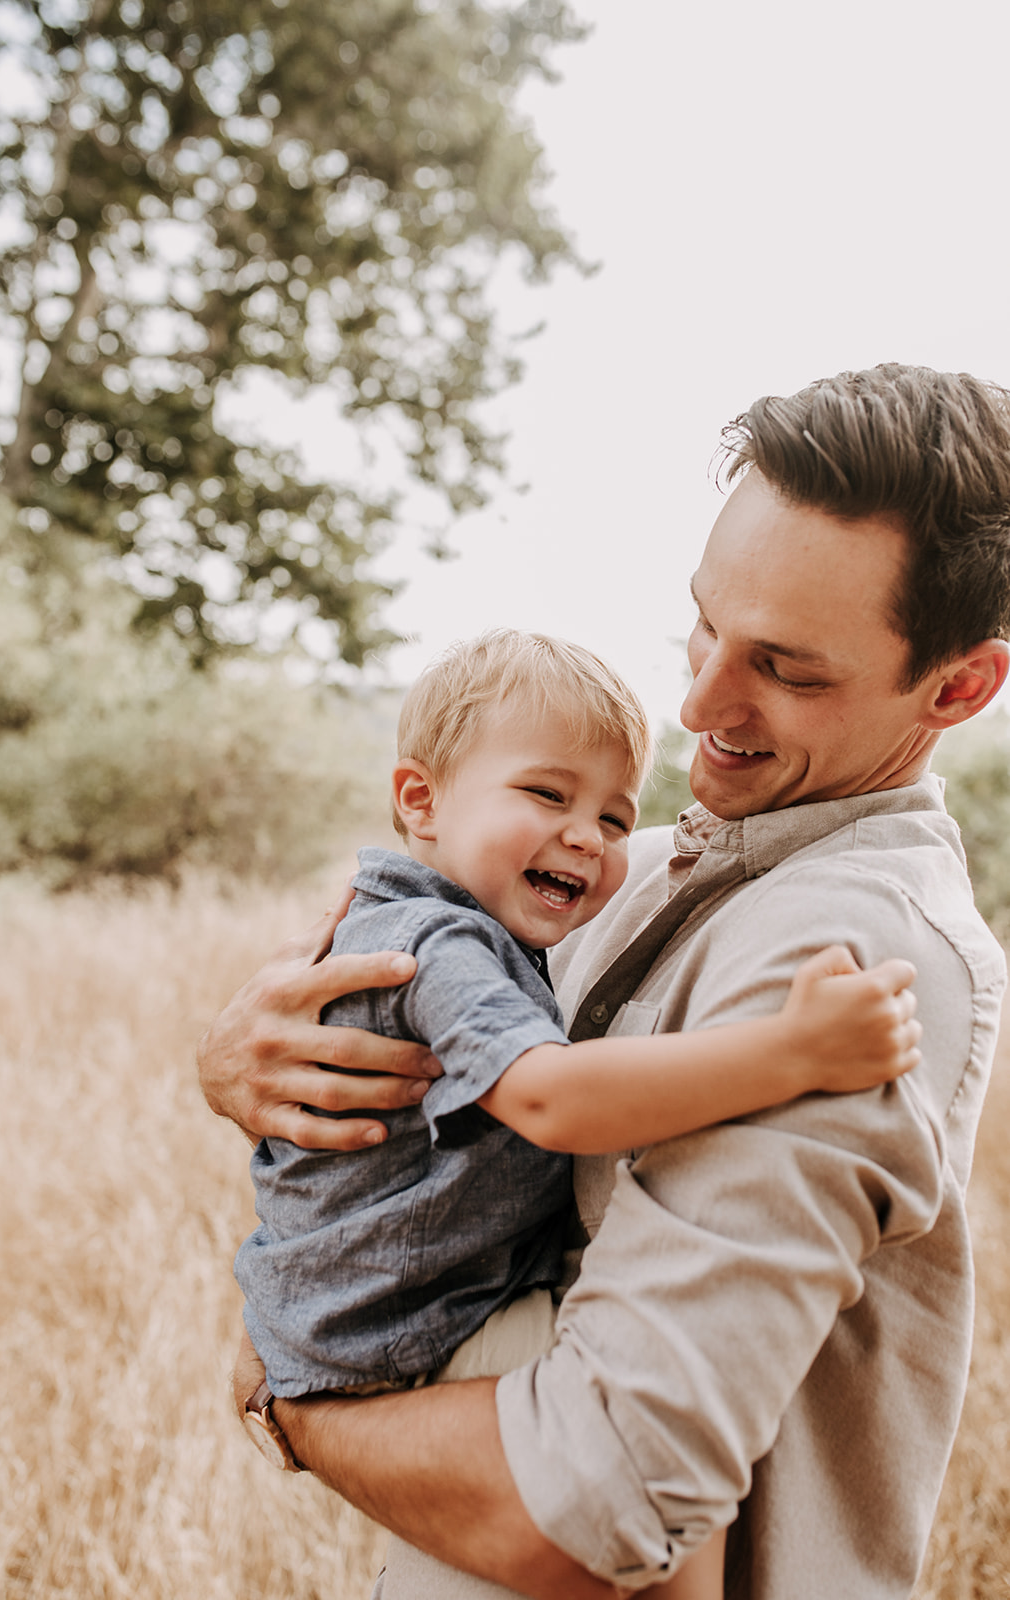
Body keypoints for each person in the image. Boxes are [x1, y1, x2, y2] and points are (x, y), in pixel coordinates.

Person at [200, 363, 1010, 1600]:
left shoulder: (847, 959)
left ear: (955, 688)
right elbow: (408, 963)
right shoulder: (630, 871)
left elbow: (596, 1502)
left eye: (785, 669)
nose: (696, 703)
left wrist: (293, 1402)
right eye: (701, 623)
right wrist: (245, 1056)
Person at [234, 629, 918, 1429]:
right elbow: (552, 1103)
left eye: (616, 818)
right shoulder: (439, 945)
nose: (587, 837)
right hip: (404, 1324)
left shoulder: (408, 916)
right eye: (548, 796)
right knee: (649, 1430)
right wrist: (794, 1051)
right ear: (420, 801)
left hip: (353, 1307)